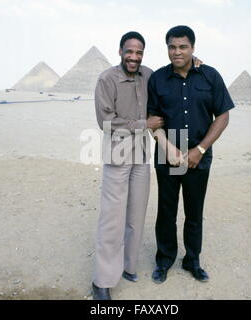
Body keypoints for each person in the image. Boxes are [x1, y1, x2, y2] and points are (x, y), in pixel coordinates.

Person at [147, 25, 235, 284]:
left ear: (193, 48)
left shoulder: (210, 76)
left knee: (194, 212)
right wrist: (167, 147)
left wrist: (200, 149)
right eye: (172, 47)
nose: (177, 52)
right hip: (169, 151)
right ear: (167, 49)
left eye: (183, 46)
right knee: (167, 211)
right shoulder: (158, 79)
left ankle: (192, 260)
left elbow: (223, 115)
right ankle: (164, 260)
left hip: (199, 152)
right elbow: (153, 119)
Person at [92, 31, 164, 300]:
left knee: (136, 215)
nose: (134, 57)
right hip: (118, 157)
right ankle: (102, 280)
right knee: (112, 219)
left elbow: (171, 79)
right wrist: (144, 125)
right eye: (129, 51)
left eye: (139, 52)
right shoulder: (107, 79)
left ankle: (128, 265)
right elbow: (107, 123)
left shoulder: (148, 74)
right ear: (120, 51)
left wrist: (195, 66)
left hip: (141, 157)